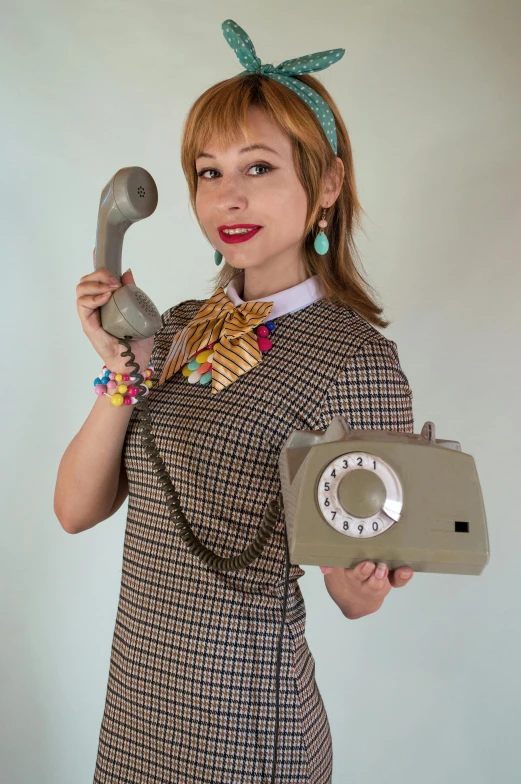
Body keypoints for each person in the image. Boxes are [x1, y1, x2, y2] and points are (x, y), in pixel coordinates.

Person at [54, 19, 415, 784]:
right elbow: (76, 509)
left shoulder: (357, 362)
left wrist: (368, 575)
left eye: (258, 167)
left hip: (245, 723)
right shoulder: (178, 325)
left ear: (325, 184)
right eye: (208, 172)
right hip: (138, 704)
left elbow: (356, 597)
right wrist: (125, 365)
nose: (228, 195)